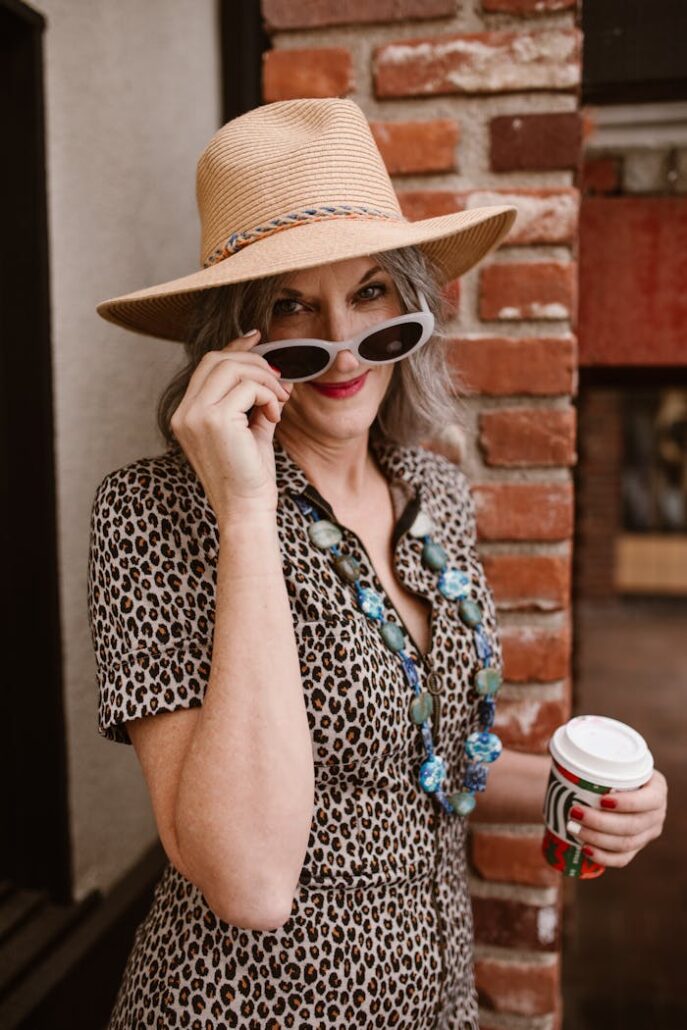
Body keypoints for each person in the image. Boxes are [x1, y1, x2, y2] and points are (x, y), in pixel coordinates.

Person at [88, 98, 668, 1029]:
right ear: (237, 340)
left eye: (370, 293)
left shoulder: (431, 493)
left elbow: (428, 766)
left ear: (411, 305)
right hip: (251, 1004)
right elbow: (248, 882)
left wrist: (588, 792)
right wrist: (246, 512)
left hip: (429, 990)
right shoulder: (154, 514)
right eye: (291, 306)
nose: (345, 344)